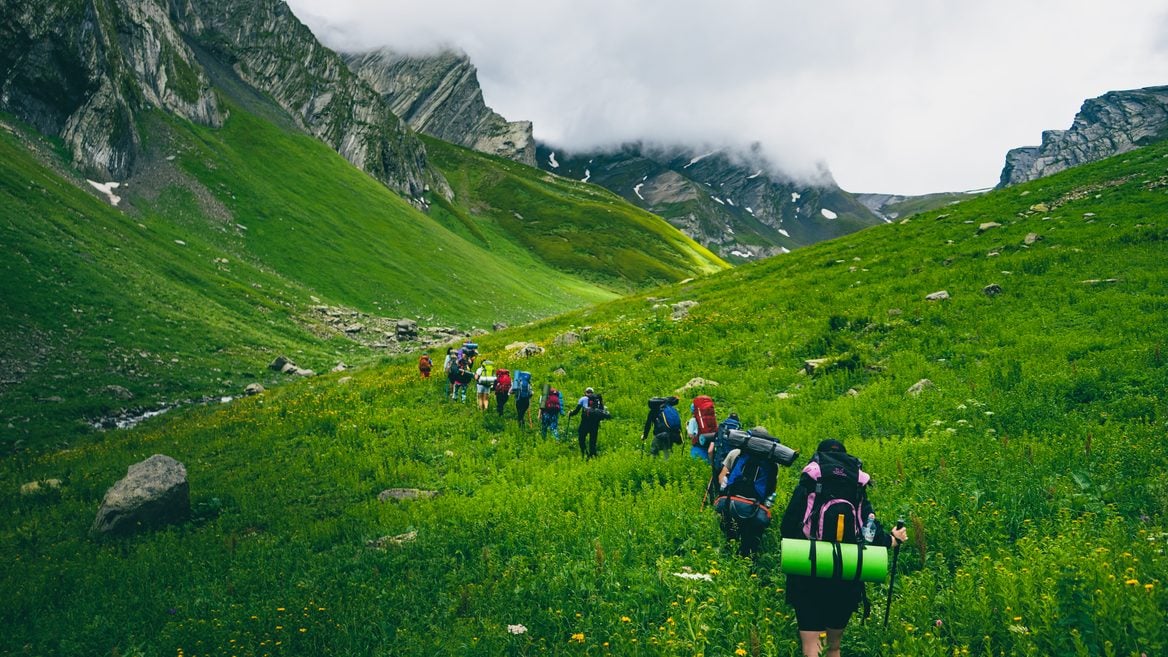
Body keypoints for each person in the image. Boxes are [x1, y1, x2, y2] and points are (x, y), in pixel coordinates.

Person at [778, 439, 908, 657]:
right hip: (846, 572)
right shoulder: (855, 487)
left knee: (812, 646)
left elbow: (787, 527)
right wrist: (892, 539)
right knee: (834, 647)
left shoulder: (810, 481)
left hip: (808, 569)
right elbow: (871, 531)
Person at [714, 427, 779, 557]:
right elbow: (771, 488)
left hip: (730, 502)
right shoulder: (773, 463)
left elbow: (721, 477)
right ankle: (749, 563)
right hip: (755, 508)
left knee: (729, 537)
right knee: (749, 543)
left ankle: (725, 559)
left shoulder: (736, 453)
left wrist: (725, 489)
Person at [568, 387, 607, 459]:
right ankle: (593, 454)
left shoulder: (583, 399)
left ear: (585, 392)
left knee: (581, 437)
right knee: (593, 440)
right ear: (593, 392)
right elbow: (601, 411)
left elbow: (576, 411)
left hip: (585, 422)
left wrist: (570, 413)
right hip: (595, 423)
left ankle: (584, 452)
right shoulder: (597, 400)